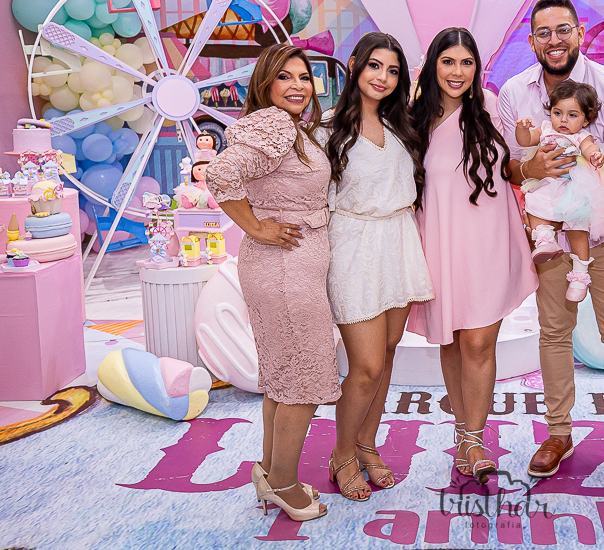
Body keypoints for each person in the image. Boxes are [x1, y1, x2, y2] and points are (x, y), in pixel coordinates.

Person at [497, 0, 604, 490]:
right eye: (544, 33)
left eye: (563, 29)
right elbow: (510, 167)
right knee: (554, 332)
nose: (554, 40)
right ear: (532, 41)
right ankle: (558, 434)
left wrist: (578, 167)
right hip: (549, 231)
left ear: (580, 32)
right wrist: (533, 166)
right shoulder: (514, 92)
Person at [205, 44, 336, 522]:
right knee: (301, 379)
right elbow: (220, 173)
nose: (298, 85)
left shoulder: (292, 126)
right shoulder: (274, 124)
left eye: (304, 77)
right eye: (285, 77)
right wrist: (255, 227)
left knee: (284, 378)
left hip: (287, 267)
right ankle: (283, 482)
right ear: (265, 83)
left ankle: (269, 470)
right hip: (284, 269)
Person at [407, 27, 537, 483]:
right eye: (448, 61)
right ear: (433, 66)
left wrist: (531, 163)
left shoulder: (491, 110)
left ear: (477, 68)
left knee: (479, 342)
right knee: (452, 339)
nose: (457, 71)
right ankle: (463, 434)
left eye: (466, 62)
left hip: (489, 242)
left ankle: (476, 439)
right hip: (439, 243)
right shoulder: (413, 121)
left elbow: (514, 166)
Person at [321, 33, 434, 501]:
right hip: (353, 246)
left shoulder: (403, 126)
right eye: (374, 66)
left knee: (386, 355)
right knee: (365, 365)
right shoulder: (326, 129)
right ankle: (342, 453)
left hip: (398, 242)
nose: (382, 77)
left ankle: (367, 445)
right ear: (353, 65)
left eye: (392, 70)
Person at [515, 80, 604, 302]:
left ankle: (580, 275)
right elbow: (526, 140)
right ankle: (544, 239)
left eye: (572, 115)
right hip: (548, 182)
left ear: (586, 120)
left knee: (577, 227)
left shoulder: (580, 136)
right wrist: (522, 128)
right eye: (557, 113)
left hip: (573, 186)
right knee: (535, 203)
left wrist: (594, 155)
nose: (563, 120)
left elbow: (588, 148)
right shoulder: (546, 128)